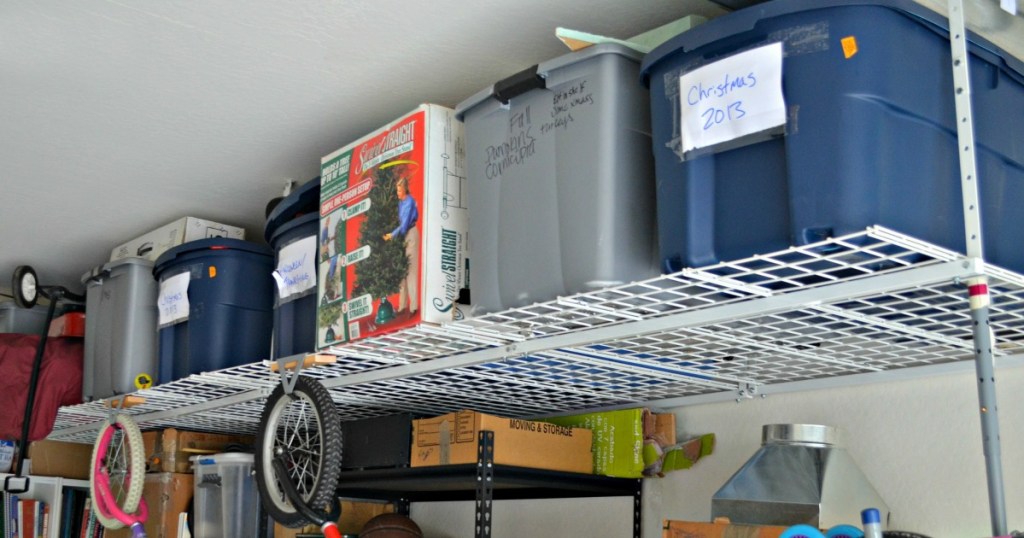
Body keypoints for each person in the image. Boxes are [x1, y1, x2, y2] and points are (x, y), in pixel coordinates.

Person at [383, 176, 419, 316]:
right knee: (401, 272)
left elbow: (404, 226)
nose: (397, 193)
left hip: (410, 234)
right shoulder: (400, 203)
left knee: (410, 270)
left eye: (399, 190)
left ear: (404, 189)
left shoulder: (409, 202)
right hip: (401, 237)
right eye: (397, 190)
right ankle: (402, 306)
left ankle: (413, 307)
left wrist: (392, 235)